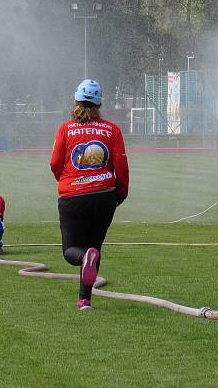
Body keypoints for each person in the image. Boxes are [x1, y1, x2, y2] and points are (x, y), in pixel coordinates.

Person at [50, 79, 129, 311]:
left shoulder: (66, 128)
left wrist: (65, 181)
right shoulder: (112, 129)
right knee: (93, 248)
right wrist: (120, 193)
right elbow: (121, 166)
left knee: (71, 251)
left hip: (73, 195)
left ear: (75, 100)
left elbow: (55, 162)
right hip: (105, 196)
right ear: (100, 103)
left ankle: (85, 292)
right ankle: (85, 300)